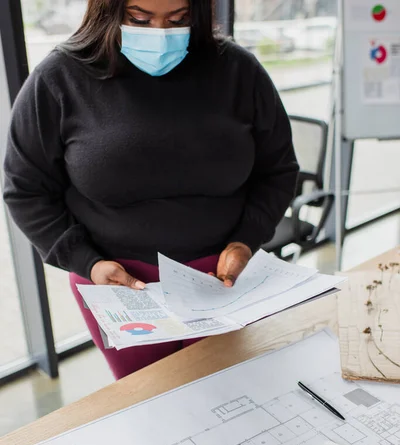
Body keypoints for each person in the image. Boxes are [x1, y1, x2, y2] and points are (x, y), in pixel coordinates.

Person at [3, 0, 299, 380]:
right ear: (108, 10)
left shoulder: (238, 71)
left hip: (222, 276)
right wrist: (86, 262)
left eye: (179, 20)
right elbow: (25, 189)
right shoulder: (59, 79)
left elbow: (278, 169)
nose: (160, 34)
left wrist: (247, 240)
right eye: (139, 19)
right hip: (118, 282)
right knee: (149, 399)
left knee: (225, 390)